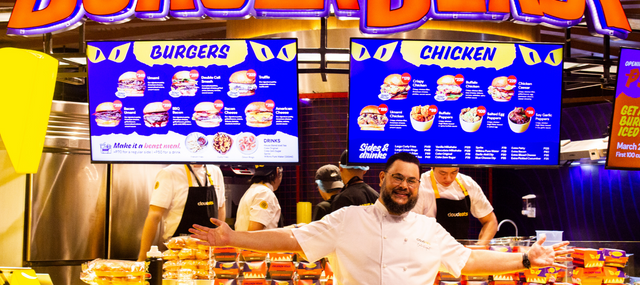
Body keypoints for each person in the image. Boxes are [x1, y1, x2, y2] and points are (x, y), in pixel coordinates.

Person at [190, 152, 572, 285]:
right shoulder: (348, 219)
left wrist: (524, 259)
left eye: (409, 180)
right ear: (383, 180)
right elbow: (292, 240)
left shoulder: (428, 227)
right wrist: (232, 239)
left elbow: (469, 261)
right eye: (397, 179)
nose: (404, 186)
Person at [137, 164, 225, 261]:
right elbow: (154, 216)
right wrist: (142, 258)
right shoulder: (169, 173)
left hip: (208, 254)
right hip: (177, 253)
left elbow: (221, 207)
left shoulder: (216, 172)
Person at [412, 167, 498, 244]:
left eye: (454, 172)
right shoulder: (420, 187)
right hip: (432, 251)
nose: (449, 178)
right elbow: (412, 228)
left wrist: (481, 245)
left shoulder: (468, 183)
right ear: (432, 167)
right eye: (443, 173)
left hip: (462, 252)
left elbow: (490, 221)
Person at [234, 165, 283, 231]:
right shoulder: (265, 194)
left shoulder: (253, 190)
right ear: (277, 171)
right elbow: (254, 232)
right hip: (254, 241)